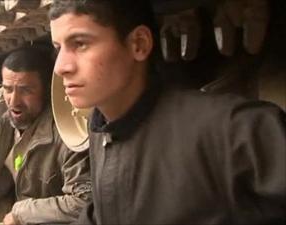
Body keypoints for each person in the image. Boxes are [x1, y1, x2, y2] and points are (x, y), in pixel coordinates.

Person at [49, 1, 286, 224]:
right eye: (58, 48)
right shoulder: (103, 129)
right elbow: (106, 211)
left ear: (139, 44)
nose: (61, 67)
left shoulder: (236, 128)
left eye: (80, 44)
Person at [0, 45, 91, 225]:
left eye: (26, 90)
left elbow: (84, 201)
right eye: (8, 89)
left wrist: (23, 213)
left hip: (40, 217)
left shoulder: (67, 131)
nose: (14, 101)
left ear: (47, 90)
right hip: (6, 204)